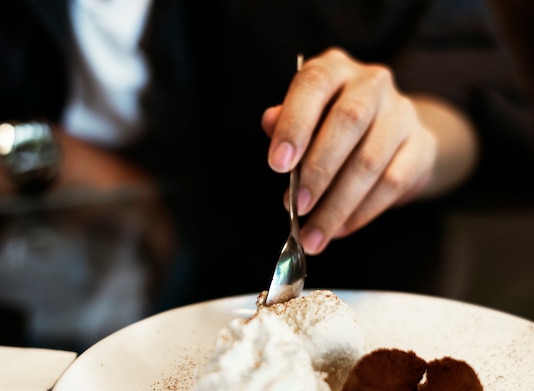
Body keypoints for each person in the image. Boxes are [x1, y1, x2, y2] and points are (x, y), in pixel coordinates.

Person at [0, 0, 533, 314]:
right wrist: (47, 154)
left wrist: (413, 137)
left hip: (343, 290)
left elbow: (471, 88)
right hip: (48, 298)